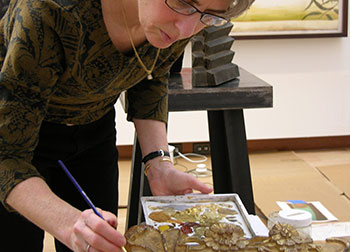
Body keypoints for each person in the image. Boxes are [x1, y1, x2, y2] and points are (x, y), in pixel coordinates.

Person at [0, 0, 254, 251]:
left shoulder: (184, 19)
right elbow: (6, 156)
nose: (186, 30)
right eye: (182, 2)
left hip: (93, 128)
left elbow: (151, 75)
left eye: (210, 15)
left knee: (96, 236)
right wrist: (67, 222)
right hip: (14, 130)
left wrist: (159, 164)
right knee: (16, 240)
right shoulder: (50, 10)